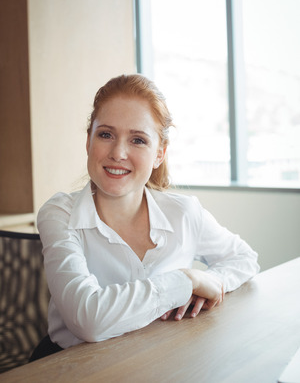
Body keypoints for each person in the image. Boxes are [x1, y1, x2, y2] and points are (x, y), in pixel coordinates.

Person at [30, 73, 259, 360]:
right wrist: (186, 280)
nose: (118, 152)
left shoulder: (184, 213)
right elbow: (89, 320)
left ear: (159, 154)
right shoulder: (59, 214)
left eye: (138, 140)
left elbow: (244, 258)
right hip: (73, 366)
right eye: (105, 135)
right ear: (88, 141)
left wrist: (211, 281)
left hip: (158, 360)